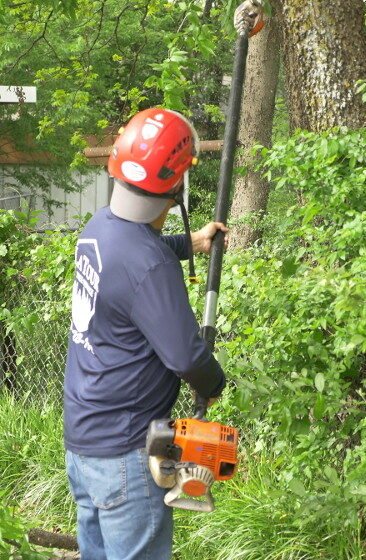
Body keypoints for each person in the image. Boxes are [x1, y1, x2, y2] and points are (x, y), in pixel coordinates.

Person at [64, 108, 228, 560]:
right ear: (176, 188)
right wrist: (213, 385)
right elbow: (187, 358)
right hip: (127, 455)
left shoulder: (98, 228)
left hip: (84, 446)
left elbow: (135, 259)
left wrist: (190, 242)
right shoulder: (150, 265)